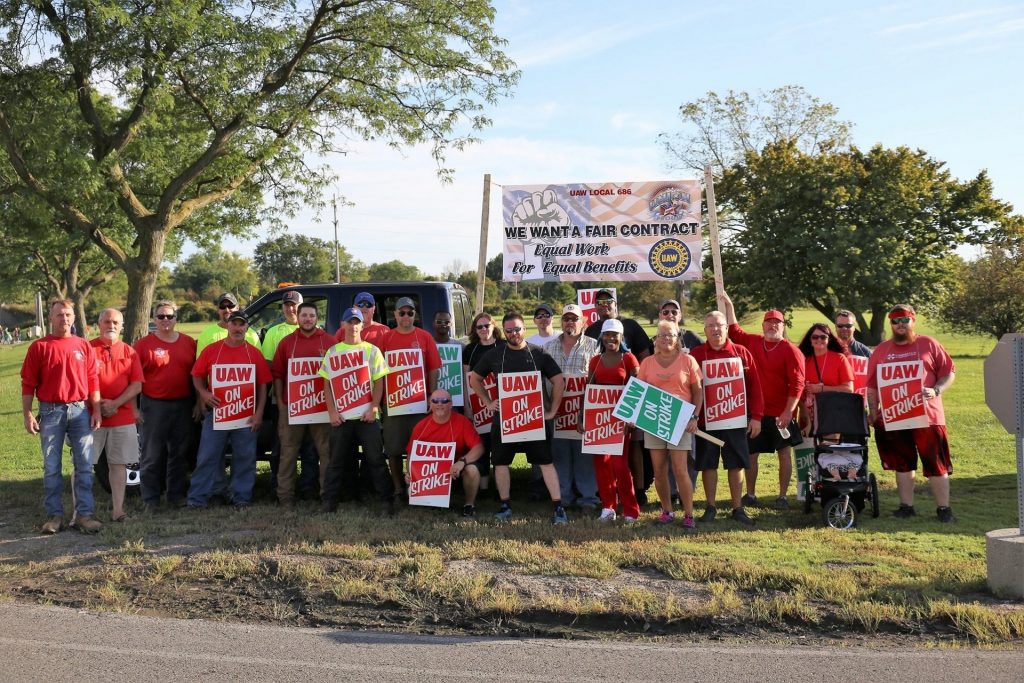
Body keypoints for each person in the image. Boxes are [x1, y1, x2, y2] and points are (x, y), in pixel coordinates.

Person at [469, 312, 567, 524]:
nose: (514, 334)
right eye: (509, 330)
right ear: (504, 331)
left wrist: (552, 411)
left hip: (533, 419)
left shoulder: (538, 353)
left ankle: (558, 507)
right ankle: (505, 505)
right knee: (501, 462)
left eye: (517, 329)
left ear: (525, 329)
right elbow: (475, 379)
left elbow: (559, 381)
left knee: (545, 461)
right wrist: (487, 401)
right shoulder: (495, 354)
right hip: (505, 420)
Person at [866, 305, 957, 523]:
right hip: (895, 415)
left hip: (929, 416)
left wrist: (935, 390)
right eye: (895, 320)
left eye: (904, 320)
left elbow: (949, 373)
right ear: (891, 323)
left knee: (936, 464)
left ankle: (943, 509)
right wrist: (873, 411)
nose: (900, 324)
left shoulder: (929, 344)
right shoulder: (881, 350)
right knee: (902, 464)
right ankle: (906, 507)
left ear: (912, 320)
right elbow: (871, 386)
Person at [21, 300, 103, 534]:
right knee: (51, 466)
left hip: (80, 410)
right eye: (59, 315)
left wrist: (96, 409)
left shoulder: (83, 345)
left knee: (85, 465)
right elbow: (28, 384)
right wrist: (28, 414)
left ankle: (84, 515)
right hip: (51, 411)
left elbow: (93, 380)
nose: (64, 319)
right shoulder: (40, 347)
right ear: (50, 318)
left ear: (74, 317)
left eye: (68, 314)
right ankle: (54, 516)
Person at [719, 291, 805, 510]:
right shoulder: (754, 342)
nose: (772, 326)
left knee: (784, 454)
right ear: (763, 325)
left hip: (780, 413)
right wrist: (728, 304)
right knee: (751, 453)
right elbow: (734, 332)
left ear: (783, 326)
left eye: (777, 323)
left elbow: (797, 385)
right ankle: (751, 494)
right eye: (769, 322)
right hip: (757, 412)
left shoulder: (791, 351)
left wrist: (789, 412)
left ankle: (783, 495)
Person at [189, 311, 270, 509]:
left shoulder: (253, 353)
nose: (238, 328)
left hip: (245, 416)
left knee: (245, 457)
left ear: (246, 328)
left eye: (242, 325)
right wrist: (203, 393)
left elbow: (262, 386)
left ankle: (241, 497)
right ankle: (198, 499)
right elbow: (196, 375)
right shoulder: (212, 351)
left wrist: (259, 412)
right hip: (217, 415)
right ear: (227, 326)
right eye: (234, 324)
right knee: (207, 456)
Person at [689, 311, 764, 526]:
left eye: (719, 325)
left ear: (727, 328)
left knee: (736, 464)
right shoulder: (696, 355)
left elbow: (755, 388)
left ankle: (737, 507)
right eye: (710, 325)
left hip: (735, 419)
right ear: (705, 330)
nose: (715, 329)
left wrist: (757, 417)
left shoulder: (741, 353)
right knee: (707, 464)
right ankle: (710, 507)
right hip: (705, 422)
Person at [320, 307, 395, 515]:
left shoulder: (372, 351)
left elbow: (380, 383)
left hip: (367, 417)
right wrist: (332, 412)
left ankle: (386, 502)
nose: (353, 326)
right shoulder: (333, 351)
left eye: (357, 322)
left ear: (362, 325)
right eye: (349, 322)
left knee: (376, 460)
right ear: (342, 325)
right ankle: (329, 502)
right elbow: (326, 385)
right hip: (342, 418)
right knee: (335, 462)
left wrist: (373, 408)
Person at [582, 288, 652, 505]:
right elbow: (590, 382)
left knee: (632, 452)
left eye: (608, 300)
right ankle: (608, 502)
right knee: (603, 459)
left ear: (615, 302)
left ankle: (637, 492)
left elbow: (645, 362)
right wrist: (584, 415)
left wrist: (633, 406)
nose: (604, 304)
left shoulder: (630, 328)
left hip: (627, 406)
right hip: (601, 412)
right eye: (599, 301)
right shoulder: (591, 331)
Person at [637, 320, 703, 528]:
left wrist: (695, 417)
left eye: (671, 335)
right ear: (656, 338)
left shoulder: (688, 361)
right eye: (662, 335)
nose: (666, 339)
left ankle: (689, 514)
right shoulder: (647, 363)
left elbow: (698, 391)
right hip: (653, 421)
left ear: (677, 339)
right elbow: (639, 392)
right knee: (659, 470)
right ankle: (667, 511)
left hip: (680, 421)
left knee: (680, 469)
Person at [134, 300, 198, 511]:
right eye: (161, 316)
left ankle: (176, 495)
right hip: (154, 405)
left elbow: (196, 376)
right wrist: (135, 409)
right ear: (154, 319)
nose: (165, 320)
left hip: (183, 404)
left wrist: (197, 402)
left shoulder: (189, 343)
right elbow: (133, 379)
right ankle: (150, 499)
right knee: (152, 454)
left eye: (169, 316)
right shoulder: (143, 345)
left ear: (176, 319)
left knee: (179, 454)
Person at [271, 301, 335, 507]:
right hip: (293, 408)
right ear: (297, 318)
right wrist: (282, 405)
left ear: (318, 318)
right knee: (288, 453)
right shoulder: (287, 342)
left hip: (322, 409)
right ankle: (285, 497)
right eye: (304, 315)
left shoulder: (329, 342)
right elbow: (278, 376)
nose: (308, 319)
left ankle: (327, 495)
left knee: (326, 453)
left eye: (312, 316)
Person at [380, 297, 441, 496]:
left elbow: (433, 368)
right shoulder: (385, 338)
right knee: (394, 449)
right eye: (402, 312)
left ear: (415, 315)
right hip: (393, 404)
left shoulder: (424, 337)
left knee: (419, 447)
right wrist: (379, 400)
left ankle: (418, 487)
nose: (406, 316)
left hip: (419, 403)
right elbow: (377, 372)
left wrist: (431, 395)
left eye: (410, 312)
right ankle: (398, 488)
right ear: (395, 315)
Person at [543, 304, 601, 510]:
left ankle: (588, 498)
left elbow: (598, 379)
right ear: (561, 322)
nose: (570, 322)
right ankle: (563, 497)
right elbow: (540, 380)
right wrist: (549, 407)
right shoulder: (548, 347)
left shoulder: (594, 346)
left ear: (583, 321)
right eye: (566, 318)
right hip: (556, 412)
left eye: (574, 318)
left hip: (582, 412)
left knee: (584, 456)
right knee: (559, 455)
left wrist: (588, 411)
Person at [89, 308, 144, 523]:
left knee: (118, 464)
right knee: (82, 464)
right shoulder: (87, 349)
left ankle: (118, 511)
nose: (111, 325)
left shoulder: (130, 351)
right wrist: (97, 405)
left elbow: (137, 384)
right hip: (91, 416)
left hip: (121, 417)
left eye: (115, 322)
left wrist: (115, 404)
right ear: (99, 323)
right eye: (107, 321)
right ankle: (80, 512)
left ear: (121, 326)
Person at [584, 319, 641, 523]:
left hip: (621, 421)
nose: (610, 338)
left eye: (614, 334)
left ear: (621, 337)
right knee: (601, 463)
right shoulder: (595, 360)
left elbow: (636, 390)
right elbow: (588, 391)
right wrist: (584, 417)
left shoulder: (629, 359)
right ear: (602, 337)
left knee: (620, 466)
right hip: (599, 420)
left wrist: (631, 417)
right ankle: (608, 508)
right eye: (607, 334)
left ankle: (631, 510)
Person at [407, 389, 484, 517]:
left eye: (444, 401)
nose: (439, 404)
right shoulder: (421, 426)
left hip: (457, 469)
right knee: (412, 493)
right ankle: (432, 500)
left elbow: (479, 447)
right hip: (432, 474)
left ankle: (469, 505)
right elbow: (411, 454)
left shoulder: (462, 422)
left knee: (472, 469)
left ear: (451, 404)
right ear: (430, 404)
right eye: (435, 401)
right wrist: (410, 472)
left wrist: (462, 462)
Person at [463, 312, 504, 490]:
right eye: (479, 327)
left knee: (500, 445)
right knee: (482, 444)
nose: (483, 329)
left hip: (502, 404)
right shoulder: (470, 350)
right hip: (478, 405)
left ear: (494, 326)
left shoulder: (503, 345)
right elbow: (465, 380)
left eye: (487, 325)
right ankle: (484, 487)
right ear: (475, 330)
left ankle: (500, 485)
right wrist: (467, 407)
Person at [796, 323, 854, 437]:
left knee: (828, 451)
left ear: (829, 339)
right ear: (810, 340)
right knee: (806, 454)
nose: (819, 339)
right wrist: (804, 412)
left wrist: (821, 389)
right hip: (807, 417)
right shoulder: (803, 360)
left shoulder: (839, 358)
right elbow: (796, 390)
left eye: (823, 337)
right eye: (815, 337)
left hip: (833, 416)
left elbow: (849, 389)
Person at [196, 292, 261, 356]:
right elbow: (201, 363)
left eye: (230, 306)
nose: (227, 310)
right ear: (218, 309)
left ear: (237, 308)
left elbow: (259, 362)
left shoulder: (252, 335)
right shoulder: (206, 334)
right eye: (222, 306)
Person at [261, 290, 302, 363]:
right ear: (282, 307)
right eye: (287, 305)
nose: (290, 309)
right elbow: (267, 362)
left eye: (293, 304)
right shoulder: (272, 331)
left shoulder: (313, 330)